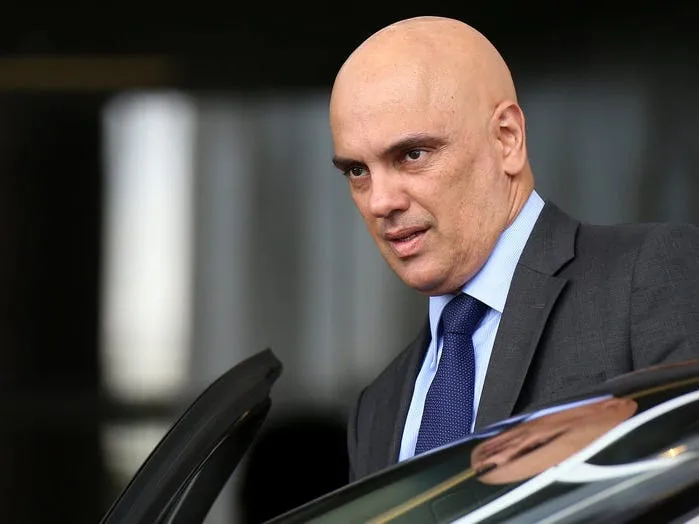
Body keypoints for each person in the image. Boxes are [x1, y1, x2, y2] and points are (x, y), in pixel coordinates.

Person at [328, 15, 699, 482]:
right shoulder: (376, 410)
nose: (380, 202)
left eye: (412, 155)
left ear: (507, 138)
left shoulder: (648, 277)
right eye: (357, 171)